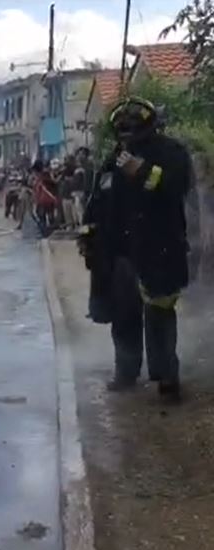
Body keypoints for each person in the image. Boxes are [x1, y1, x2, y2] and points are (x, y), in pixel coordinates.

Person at [80, 96, 192, 402]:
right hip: (120, 252)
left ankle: (167, 379)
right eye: (121, 128)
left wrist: (141, 170)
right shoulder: (115, 157)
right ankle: (126, 372)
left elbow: (175, 186)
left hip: (160, 251)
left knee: (159, 317)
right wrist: (89, 234)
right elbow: (98, 200)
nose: (126, 133)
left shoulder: (171, 152)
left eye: (132, 127)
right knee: (124, 316)